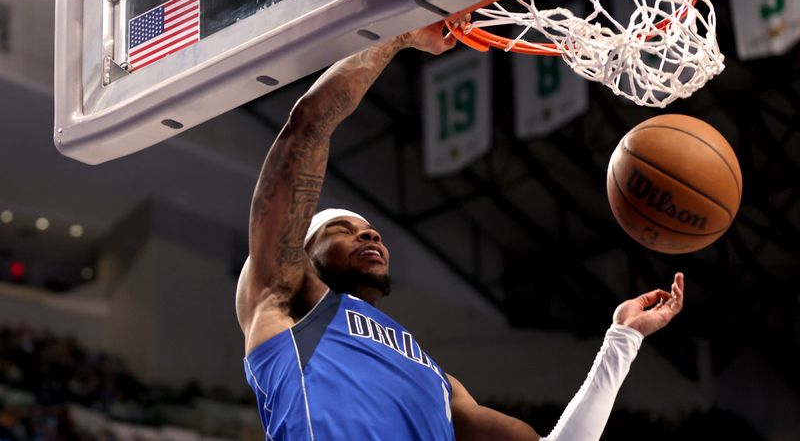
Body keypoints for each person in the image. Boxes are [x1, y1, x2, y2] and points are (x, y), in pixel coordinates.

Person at [235, 22, 685, 440]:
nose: (370, 236)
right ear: (303, 250)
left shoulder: (438, 382)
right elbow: (307, 130)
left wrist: (622, 338)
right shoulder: (283, 298)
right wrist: (397, 35)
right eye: (342, 228)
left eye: (373, 231)